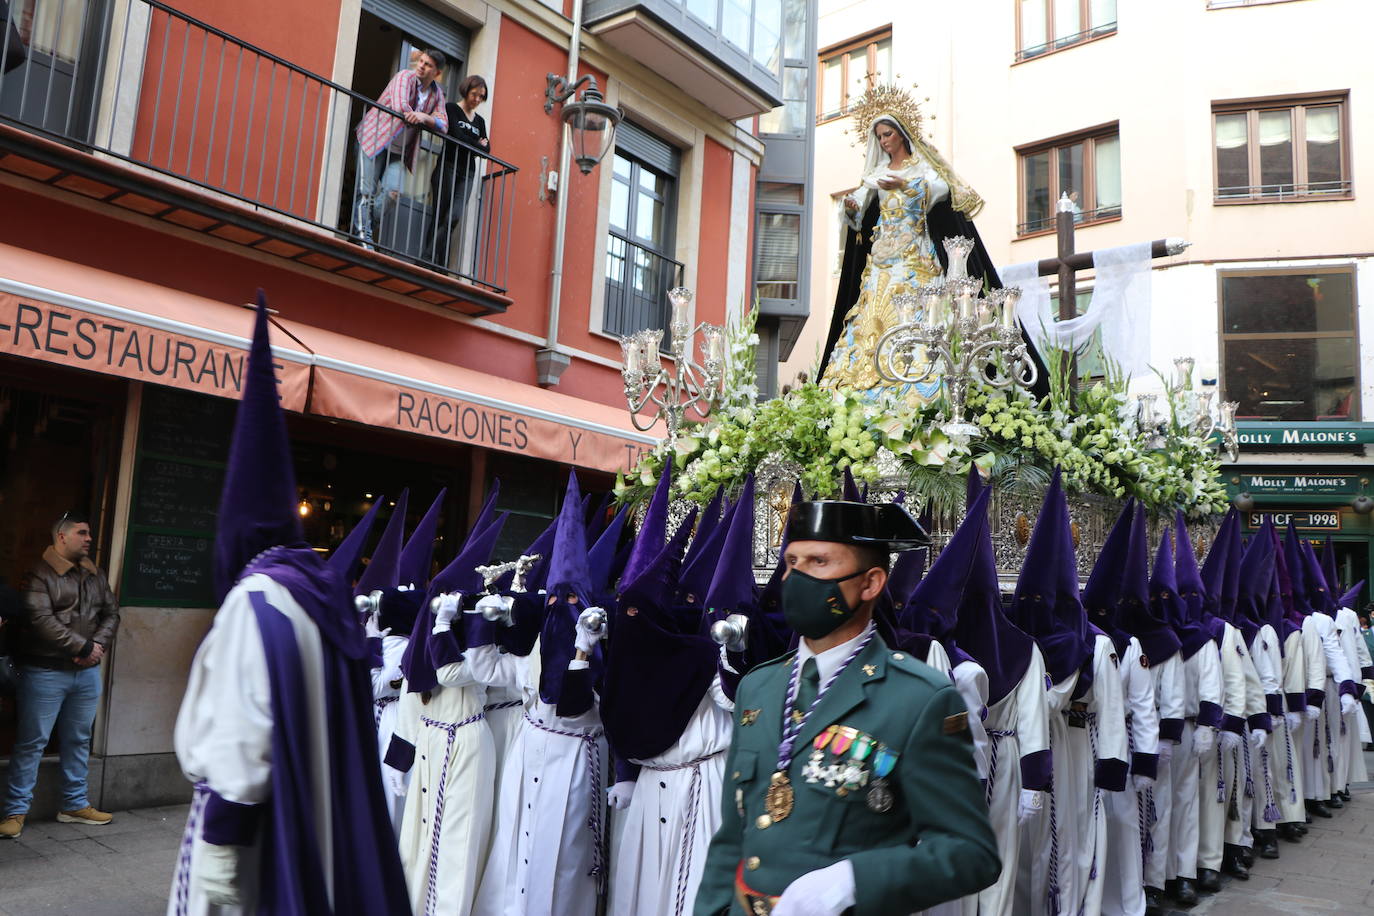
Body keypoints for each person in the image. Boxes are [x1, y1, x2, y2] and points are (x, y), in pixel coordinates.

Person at [166, 295, 408, 913]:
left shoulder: (255, 601)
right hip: (319, 819)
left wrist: (220, 846)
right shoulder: (321, 591)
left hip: (258, 835)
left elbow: (245, 737)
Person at [693, 498, 1001, 916]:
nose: (795, 577)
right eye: (791, 562)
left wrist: (853, 881)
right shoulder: (759, 687)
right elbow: (733, 834)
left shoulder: (919, 698)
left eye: (819, 563)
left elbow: (971, 854)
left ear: (870, 583)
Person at [817, 84, 1047, 403]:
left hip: (916, 256)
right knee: (871, 313)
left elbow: (943, 191)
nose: (884, 142)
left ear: (901, 133)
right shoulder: (878, 172)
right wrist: (851, 209)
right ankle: (862, 381)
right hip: (882, 259)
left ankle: (919, 378)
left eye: (888, 134)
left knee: (921, 313)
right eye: (880, 137)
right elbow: (858, 204)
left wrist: (907, 184)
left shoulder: (922, 167)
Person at [0, 512, 119, 840]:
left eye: (90, 533)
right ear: (62, 537)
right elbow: (41, 620)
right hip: (45, 672)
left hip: (86, 673)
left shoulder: (95, 574)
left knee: (79, 739)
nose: (89, 539)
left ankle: (74, 805)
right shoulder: (38, 573)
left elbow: (112, 612)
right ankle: (16, 812)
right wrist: (84, 646)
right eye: (82, 533)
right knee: (32, 741)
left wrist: (96, 646)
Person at [353, 49, 449, 248]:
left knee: (393, 192)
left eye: (428, 64)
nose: (421, 66)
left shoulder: (436, 94)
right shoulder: (404, 77)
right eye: (421, 61)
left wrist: (425, 117)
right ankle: (364, 238)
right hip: (373, 138)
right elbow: (400, 106)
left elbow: (444, 125)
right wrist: (422, 118)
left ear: (437, 73)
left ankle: (364, 227)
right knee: (366, 191)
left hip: (399, 152)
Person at [431, 74, 490, 265]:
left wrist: (476, 145)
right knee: (440, 214)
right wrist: (476, 144)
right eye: (475, 94)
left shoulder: (480, 121)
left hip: (467, 173)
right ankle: (435, 263)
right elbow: (455, 135)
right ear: (466, 90)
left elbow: (487, 149)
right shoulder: (451, 109)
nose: (477, 100)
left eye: (481, 97)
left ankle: (428, 257)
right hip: (448, 165)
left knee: (454, 216)